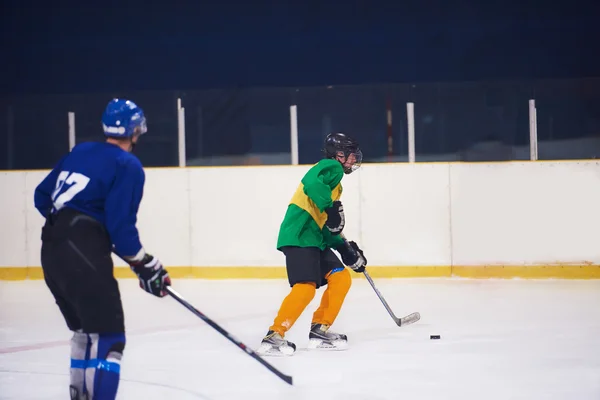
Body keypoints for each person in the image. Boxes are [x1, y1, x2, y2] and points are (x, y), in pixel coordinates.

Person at [33, 98, 171, 399]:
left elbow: (42, 196)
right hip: (81, 253)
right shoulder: (128, 164)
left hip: (51, 249)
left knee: (84, 332)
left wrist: (73, 231)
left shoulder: (82, 150)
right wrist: (144, 263)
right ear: (135, 130)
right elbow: (121, 228)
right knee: (110, 338)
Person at [257, 132, 368, 356]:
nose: (355, 159)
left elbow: (328, 225)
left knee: (340, 276)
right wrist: (329, 207)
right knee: (305, 287)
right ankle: (273, 336)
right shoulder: (330, 167)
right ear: (339, 155)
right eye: (351, 154)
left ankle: (320, 329)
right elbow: (310, 183)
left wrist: (344, 248)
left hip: (314, 239)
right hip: (300, 236)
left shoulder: (336, 186)